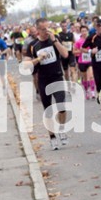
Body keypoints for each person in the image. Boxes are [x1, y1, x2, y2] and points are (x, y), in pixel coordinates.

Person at [26, 18, 70, 150]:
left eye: (48, 28)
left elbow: (65, 54)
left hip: (57, 77)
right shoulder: (33, 45)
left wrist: (55, 41)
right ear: (38, 30)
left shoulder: (54, 39)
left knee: (62, 106)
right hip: (43, 80)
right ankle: (52, 137)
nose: (47, 31)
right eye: (44, 29)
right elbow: (26, 64)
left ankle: (61, 129)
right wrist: (39, 58)